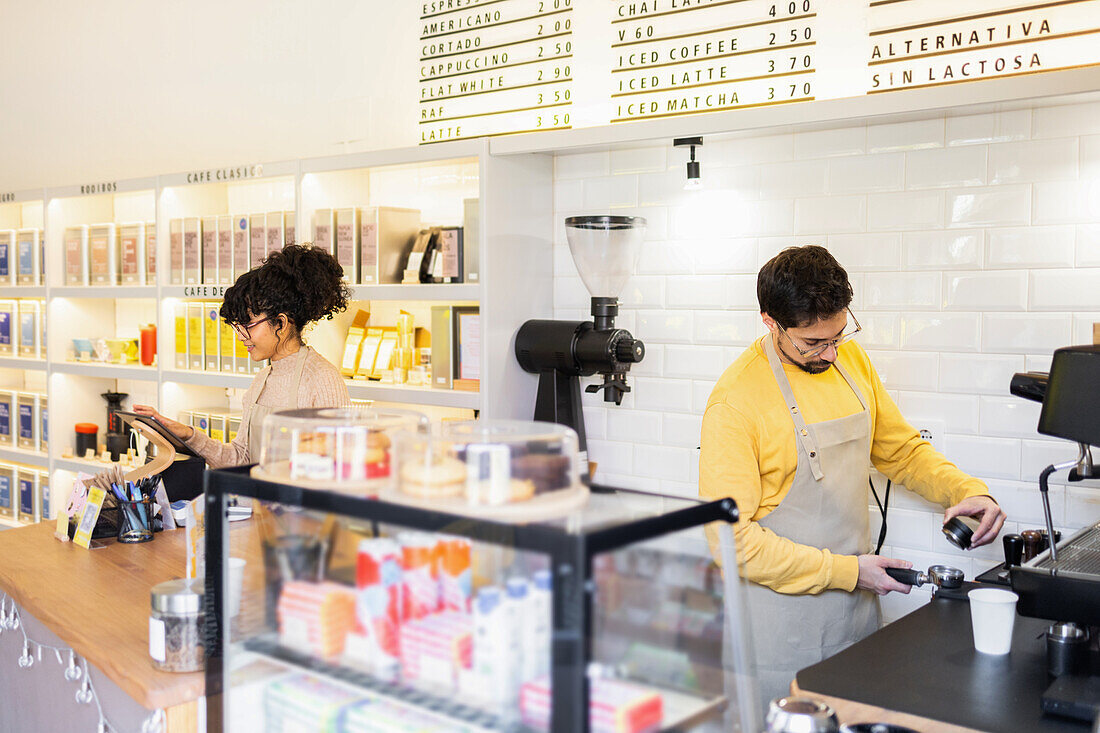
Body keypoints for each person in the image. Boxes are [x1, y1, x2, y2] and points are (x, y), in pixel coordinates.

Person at [699, 245, 1006, 705]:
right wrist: (847, 571)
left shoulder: (851, 361)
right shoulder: (736, 403)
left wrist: (966, 492)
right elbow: (731, 542)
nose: (829, 352)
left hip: (856, 612)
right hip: (777, 634)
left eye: (838, 335)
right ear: (770, 321)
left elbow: (900, 451)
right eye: (813, 343)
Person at [135, 244, 351, 466]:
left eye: (249, 324)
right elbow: (240, 458)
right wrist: (187, 435)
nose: (240, 336)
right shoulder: (261, 381)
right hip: (259, 499)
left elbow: (340, 467)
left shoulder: (323, 380)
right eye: (238, 326)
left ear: (282, 322)